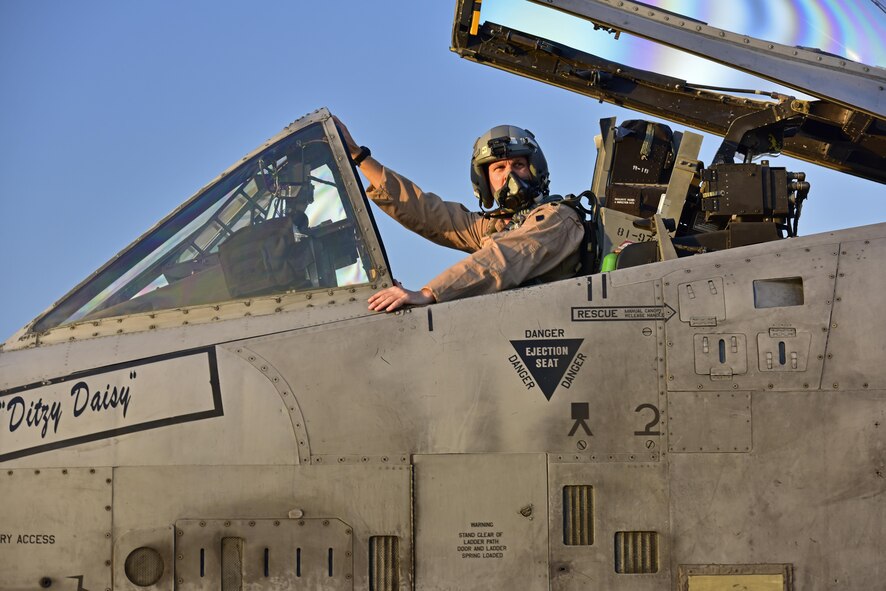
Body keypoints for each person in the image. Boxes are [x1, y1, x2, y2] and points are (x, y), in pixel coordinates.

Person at [334, 117, 585, 312]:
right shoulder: (497, 227)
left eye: (518, 165)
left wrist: (429, 293)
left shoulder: (557, 218)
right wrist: (360, 156)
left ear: (534, 169)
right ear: (485, 181)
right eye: (498, 168)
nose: (510, 176)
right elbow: (430, 213)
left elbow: (504, 258)